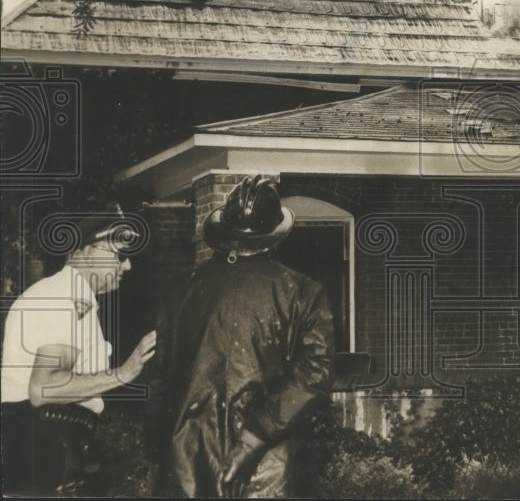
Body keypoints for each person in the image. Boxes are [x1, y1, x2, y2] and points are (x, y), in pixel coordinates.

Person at [149, 175, 335, 498]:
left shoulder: (179, 291)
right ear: (274, 237)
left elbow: (159, 380)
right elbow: (315, 374)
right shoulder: (303, 292)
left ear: (225, 233)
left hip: (187, 465)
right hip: (272, 467)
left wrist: (156, 451)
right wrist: (253, 439)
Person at [1, 205, 157, 496]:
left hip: (48, 447)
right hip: (42, 449)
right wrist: (123, 373)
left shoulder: (70, 297)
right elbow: (44, 388)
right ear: (84, 251)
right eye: (120, 255)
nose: (127, 266)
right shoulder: (63, 298)